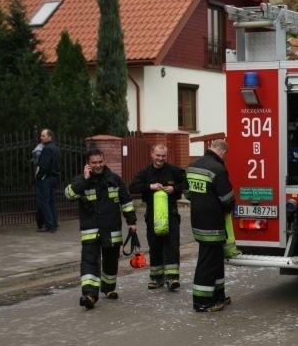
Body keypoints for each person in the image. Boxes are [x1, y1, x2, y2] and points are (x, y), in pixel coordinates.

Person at [65, 148, 137, 310]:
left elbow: (126, 201)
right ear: (88, 164)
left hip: (112, 229)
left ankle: (108, 288)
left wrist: (131, 222)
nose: (97, 165)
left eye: (100, 162)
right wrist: (84, 180)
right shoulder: (81, 181)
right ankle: (90, 295)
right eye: (94, 163)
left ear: (103, 161)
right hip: (90, 230)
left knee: (111, 262)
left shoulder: (114, 180)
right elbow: (69, 195)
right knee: (89, 262)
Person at [186, 138, 235, 312]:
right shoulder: (218, 169)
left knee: (215, 261)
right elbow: (227, 199)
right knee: (207, 263)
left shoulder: (193, 165)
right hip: (213, 224)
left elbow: (187, 192)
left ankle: (218, 296)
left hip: (198, 221)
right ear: (222, 152)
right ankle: (201, 302)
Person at [129, 144, 187, 291]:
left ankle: (172, 278)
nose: (160, 158)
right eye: (158, 155)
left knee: (172, 245)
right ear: (152, 154)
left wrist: (174, 188)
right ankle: (156, 278)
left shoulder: (174, 171)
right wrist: (150, 187)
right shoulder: (145, 173)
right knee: (155, 245)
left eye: (163, 156)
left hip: (171, 213)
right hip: (152, 215)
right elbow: (132, 187)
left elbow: (186, 183)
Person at [35, 129, 61, 232]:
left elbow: (43, 166)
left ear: (50, 137)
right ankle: (54, 223)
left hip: (46, 178)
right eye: (41, 136)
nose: (41, 137)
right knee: (51, 201)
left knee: (44, 202)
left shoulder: (47, 149)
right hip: (54, 177)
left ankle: (50, 225)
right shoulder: (56, 148)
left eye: (43, 136)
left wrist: (39, 177)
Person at [31, 141, 45, 231]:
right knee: (43, 201)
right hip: (43, 178)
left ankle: (41, 223)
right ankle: (41, 223)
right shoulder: (39, 150)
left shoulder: (40, 150)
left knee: (42, 201)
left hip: (42, 178)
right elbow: (39, 165)